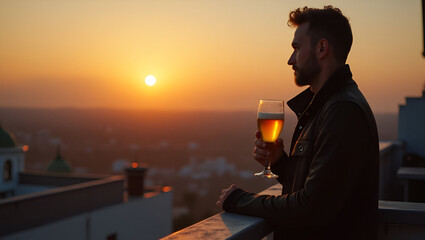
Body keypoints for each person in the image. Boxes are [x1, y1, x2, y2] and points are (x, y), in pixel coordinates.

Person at [216, 5, 379, 240]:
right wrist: (280, 163)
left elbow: (312, 208)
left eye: (296, 48)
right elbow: (323, 188)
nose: (290, 60)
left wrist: (238, 200)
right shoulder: (328, 106)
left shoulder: (342, 111)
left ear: (322, 48)